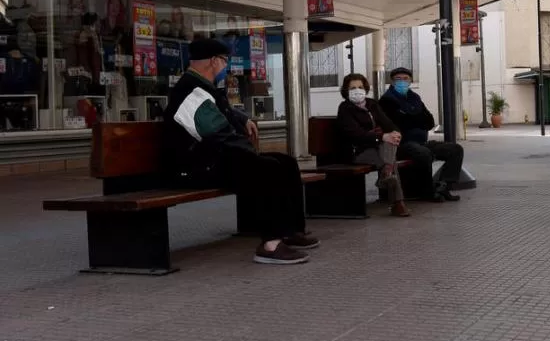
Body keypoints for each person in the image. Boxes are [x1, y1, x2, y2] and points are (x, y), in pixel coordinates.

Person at [162, 38, 318, 264]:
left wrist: (242, 119)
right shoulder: (190, 90)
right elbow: (217, 133)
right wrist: (249, 151)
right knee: (266, 168)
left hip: (212, 158)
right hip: (194, 167)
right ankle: (270, 245)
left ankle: (290, 231)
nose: (225, 66)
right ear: (214, 61)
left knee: (286, 163)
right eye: (225, 61)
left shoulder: (204, 87)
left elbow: (223, 111)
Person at [379, 67, 462, 202]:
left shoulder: (415, 98)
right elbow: (398, 124)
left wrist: (410, 117)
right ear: (392, 82)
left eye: (405, 79)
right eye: (398, 79)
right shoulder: (387, 100)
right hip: (401, 145)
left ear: (411, 81)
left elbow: (429, 122)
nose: (402, 82)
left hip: (420, 142)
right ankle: (428, 191)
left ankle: (443, 186)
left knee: (455, 150)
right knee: (423, 153)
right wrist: (416, 118)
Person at [336, 73, 411, 217]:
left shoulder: (372, 104)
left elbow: (388, 124)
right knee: (389, 156)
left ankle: (386, 175)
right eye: (352, 88)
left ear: (365, 88)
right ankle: (398, 203)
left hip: (377, 147)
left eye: (360, 87)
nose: (357, 90)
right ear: (346, 91)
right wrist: (381, 136)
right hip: (357, 151)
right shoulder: (345, 108)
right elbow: (355, 135)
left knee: (391, 140)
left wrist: (396, 133)